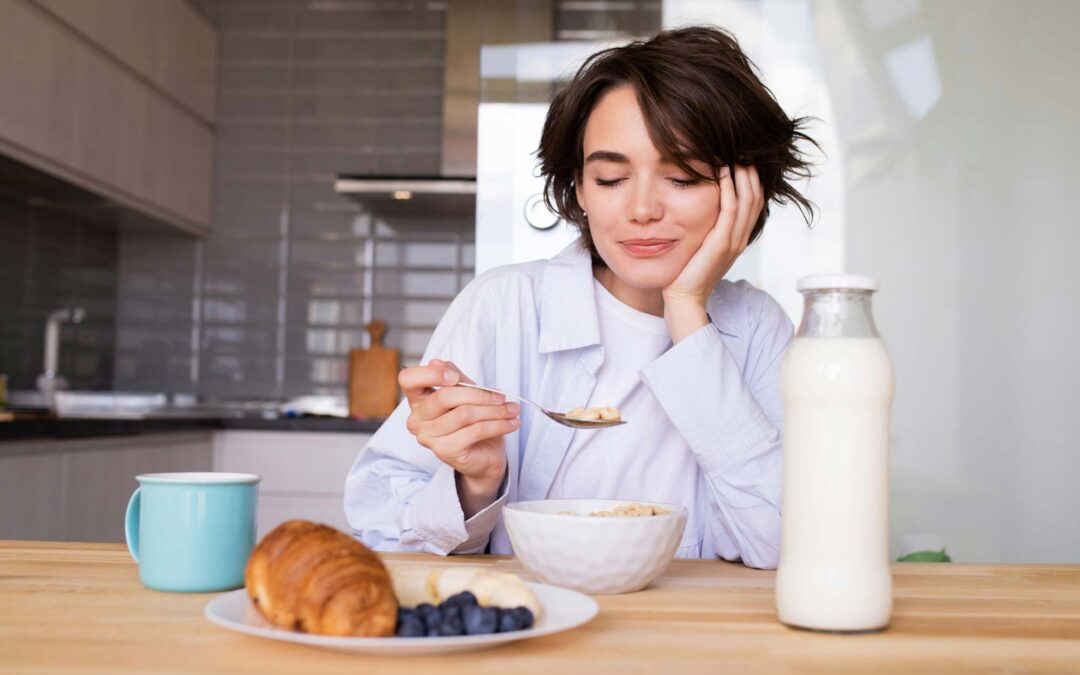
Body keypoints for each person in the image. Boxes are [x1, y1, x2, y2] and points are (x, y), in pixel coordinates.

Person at [344, 25, 816, 569]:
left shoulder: (757, 327)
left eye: (682, 176)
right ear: (581, 191)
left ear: (744, 190)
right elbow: (378, 521)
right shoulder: (504, 306)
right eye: (612, 178)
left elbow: (785, 546)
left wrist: (686, 306)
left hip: (689, 640)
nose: (641, 209)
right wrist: (475, 483)